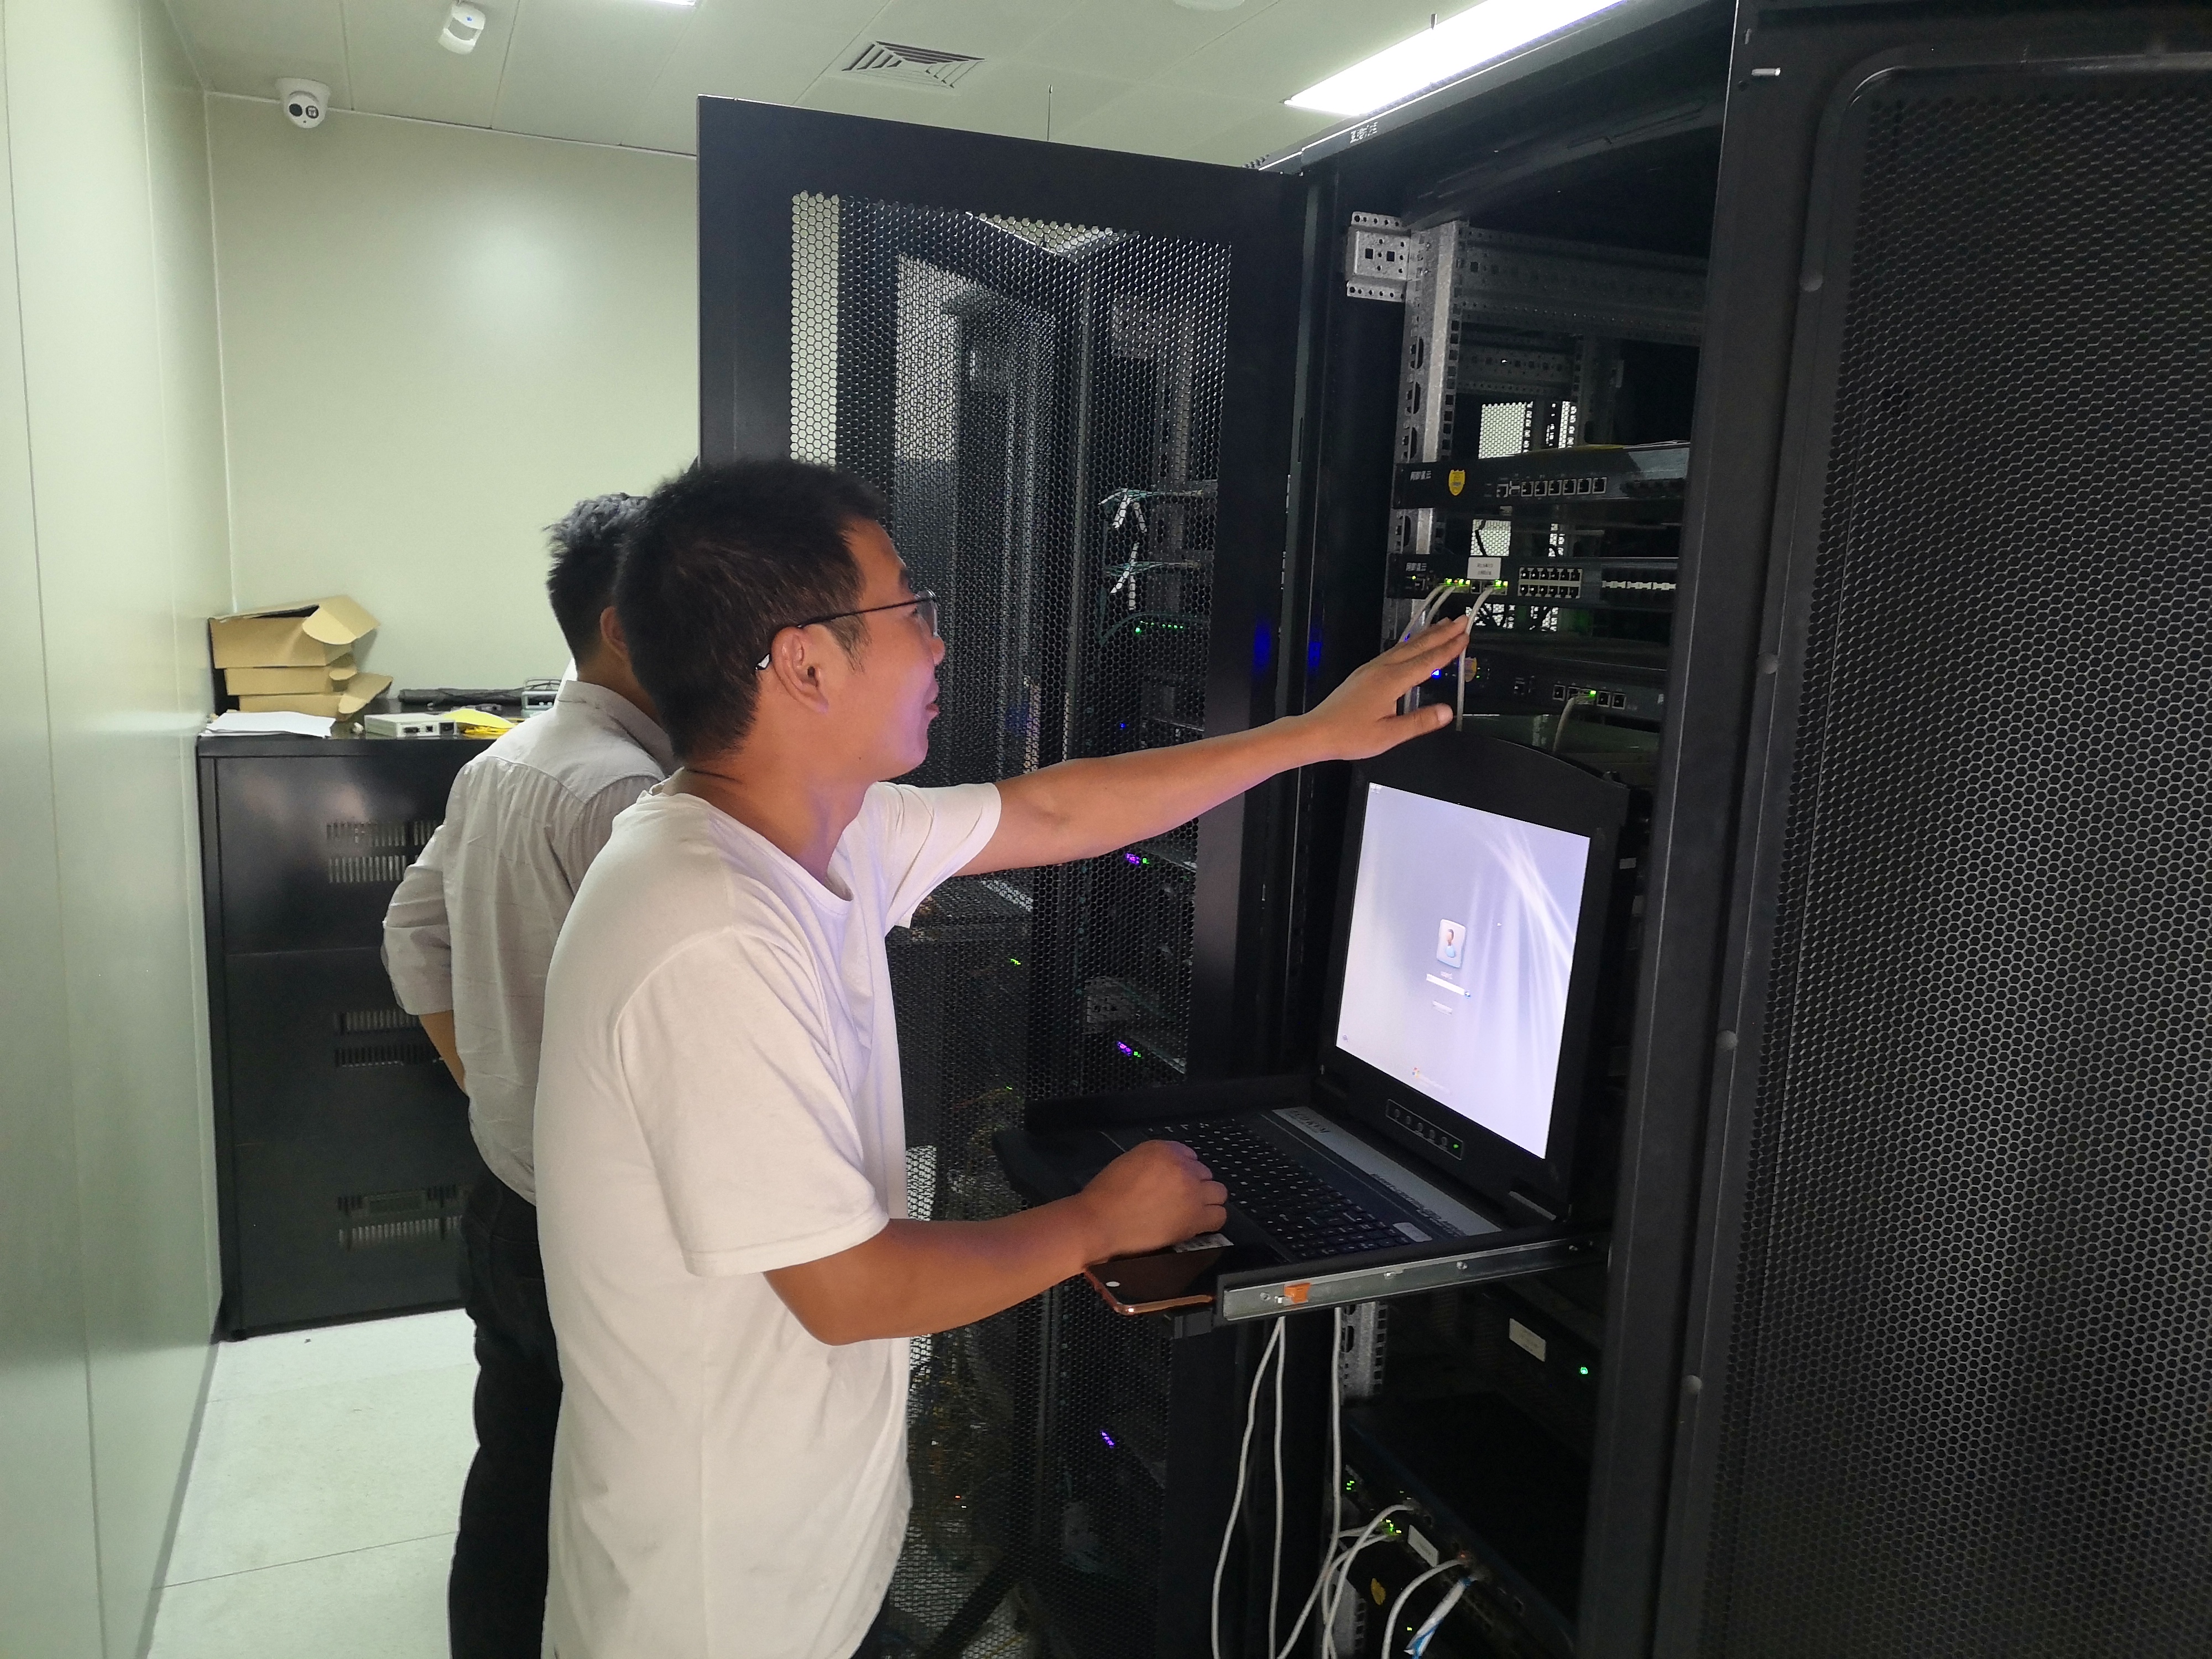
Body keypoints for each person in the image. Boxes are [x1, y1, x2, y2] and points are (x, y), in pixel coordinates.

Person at [532, 460, 1473, 1659]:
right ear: (804, 663)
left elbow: (1057, 814)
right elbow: (851, 1290)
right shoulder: (706, 929)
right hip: (714, 1611)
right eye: (909, 608)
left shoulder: (817, 831)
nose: (937, 645)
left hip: (784, 1565)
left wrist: (1313, 738)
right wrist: (1097, 1222)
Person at [382, 492, 672, 1659]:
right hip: (597, 1232)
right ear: (622, 627)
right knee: (627, 1497)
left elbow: (409, 932)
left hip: (507, 1198)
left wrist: (490, 1087)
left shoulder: (511, 760)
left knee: (515, 1464)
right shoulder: (625, 797)